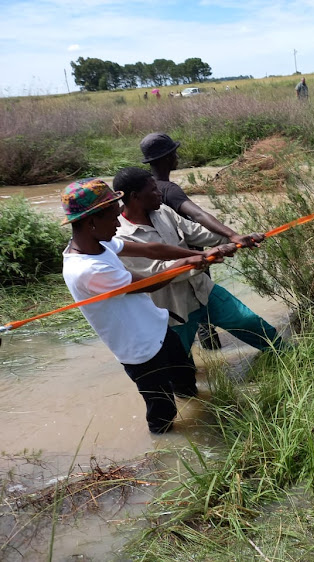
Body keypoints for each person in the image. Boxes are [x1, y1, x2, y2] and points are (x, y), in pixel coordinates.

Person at [60, 178, 214, 434]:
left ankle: (205, 419)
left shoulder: (101, 242)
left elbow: (152, 249)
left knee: (186, 382)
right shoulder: (87, 270)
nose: (119, 223)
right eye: (113, 217)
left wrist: (194, 255)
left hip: (158, 328)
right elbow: (153, 283)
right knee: (163, 412)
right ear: (91, 223)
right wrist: (197, 259)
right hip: (140, 351)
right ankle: (165, 454)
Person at [113, 167, 281, 356]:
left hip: (203, 291)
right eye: (153, 190)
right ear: (135, 197)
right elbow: (158, 273)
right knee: (181, 364)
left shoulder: (163, 212)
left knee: (250, 323)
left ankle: (289, 355)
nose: (160, 193)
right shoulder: (121, 238)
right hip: (174, 310)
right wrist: (208, 256)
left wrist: (236, 238)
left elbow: (195, 232)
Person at [140, 132, 261, 349]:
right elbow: (198, 216)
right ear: (168, 158)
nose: (177, 157)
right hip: (193, 260)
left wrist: (230, 240)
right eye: (175, 153)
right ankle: (212, 351)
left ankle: (207, 360)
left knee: (188, 321)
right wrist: (233, 236)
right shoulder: (168, 190)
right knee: (203, 310)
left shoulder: (148, 190)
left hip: (171, 272)